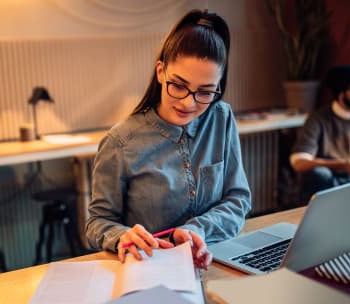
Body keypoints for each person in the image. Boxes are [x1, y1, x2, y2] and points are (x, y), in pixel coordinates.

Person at [85, 9, 252, 269]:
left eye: (205, 92)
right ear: (161, 71)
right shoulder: (120, 142)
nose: (189, 102)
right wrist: (121, 236)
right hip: (149, 269)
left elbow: (238, 199)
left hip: (217, 260)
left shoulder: (221, 117)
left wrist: (196, 229)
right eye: (179, 85)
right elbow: (97, 223)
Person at [290, 65, 350, 201]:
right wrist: (343, 165)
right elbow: (298, 162)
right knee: (319, 174)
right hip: (331, 183)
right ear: (341, 93)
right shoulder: (318, 119)